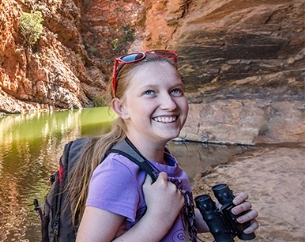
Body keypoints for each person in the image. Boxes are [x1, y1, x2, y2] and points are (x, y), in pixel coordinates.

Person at [68, 50, 259, 241]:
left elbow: (177, 222)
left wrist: (219, 216)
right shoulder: (118, 171)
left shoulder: (164, 160)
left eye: (176, 90)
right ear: (121, 108)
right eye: (149, 92)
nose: (169, 104)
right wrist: (159, 218)